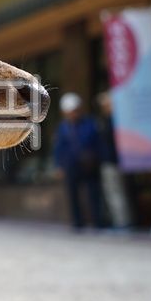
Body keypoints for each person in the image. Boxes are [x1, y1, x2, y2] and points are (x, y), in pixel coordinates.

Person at [53, 92, 104, 231]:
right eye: (70, 112)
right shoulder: (63, 127)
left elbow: (97, 143)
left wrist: (96, 158)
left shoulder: (90, 123)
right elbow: (58, 147)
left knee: (93, 193)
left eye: (75, 111)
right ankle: (77, 222)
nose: (73, 114)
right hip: (71, 165)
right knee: (73, 194)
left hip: (89, 164)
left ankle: (97, 221)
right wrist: (59, 165)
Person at [96, 91, 133, 228]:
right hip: (110, 161)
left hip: (113, 162)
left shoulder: (115, 121)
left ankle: (122, 223)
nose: (104, 107)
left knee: (116, 193)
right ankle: (120, 221)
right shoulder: (108, 120)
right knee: (114, 193)